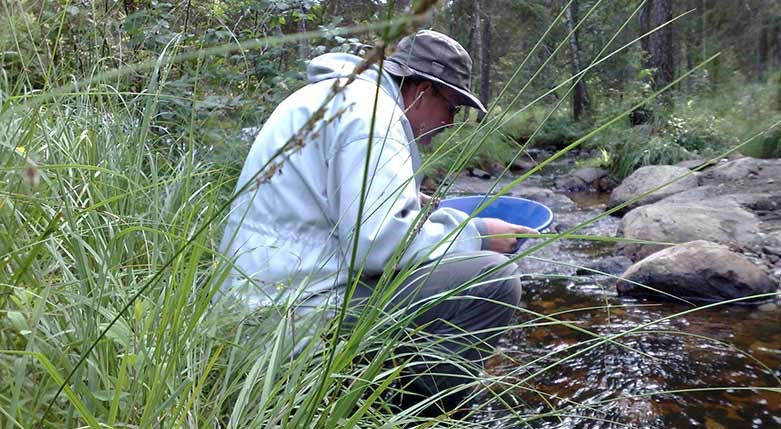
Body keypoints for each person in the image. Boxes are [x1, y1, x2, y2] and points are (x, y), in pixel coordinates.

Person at [218, 30, 536, 416]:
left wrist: (407, 202)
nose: (450, 123)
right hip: (292, 320)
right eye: (451, 108)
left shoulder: (338, 96)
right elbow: (376, 246)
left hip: (254, 309)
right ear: (422, 90)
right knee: (494, 278)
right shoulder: (374, 117)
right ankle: (418, 415)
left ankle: (374, 388)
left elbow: (335, 207)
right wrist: (477, 233)